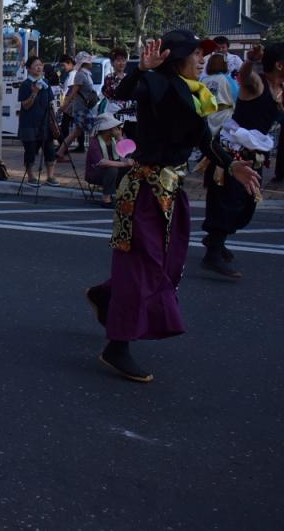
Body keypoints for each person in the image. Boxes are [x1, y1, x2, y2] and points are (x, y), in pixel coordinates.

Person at [84, 31, 260, 383]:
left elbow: (203, 140)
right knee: (141, 264)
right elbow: (119, 94)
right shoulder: (155, 84)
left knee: (167, 263)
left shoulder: (196, 93)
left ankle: (107, 297)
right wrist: (141, 69)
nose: (201, 60)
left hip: (172, 190)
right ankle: (116, 345)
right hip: (144, 191)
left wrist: (230, 163)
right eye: (196, 54)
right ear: (175, 56)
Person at [200, 43, 283, 278]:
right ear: (279, 64)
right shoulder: (258, 83)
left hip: (254, 154)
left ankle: (215, 239)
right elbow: (245, 76)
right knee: (229, 200)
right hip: (233, 150)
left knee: (247, 206)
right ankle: (213, 252)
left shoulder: (281, 89)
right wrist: (250, 60)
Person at [17, 56, 60, 187]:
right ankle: (30, 176)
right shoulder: (25, 85)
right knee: (30, 151)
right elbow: (26, 105)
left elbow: (51, 102)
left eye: (41, 65)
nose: (39, 67)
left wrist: (54, 119)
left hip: (45, 123)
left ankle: (50, 176)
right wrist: (34, 92)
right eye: (36, 65)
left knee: (50, 150)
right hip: (29, 124)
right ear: (29, 69)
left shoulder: (45, 83)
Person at [85, 113, 134, 208]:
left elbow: (126, 155)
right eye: (115, 127)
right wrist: (123, 164)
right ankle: (106, 199)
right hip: (96, 173)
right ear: (107, 130)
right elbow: (101, 162)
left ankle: (124, 195)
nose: (117, 129)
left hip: (110, 171)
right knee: (112, 169)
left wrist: (120, 138)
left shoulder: (113, 140)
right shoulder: (94, 142)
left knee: (129, 168)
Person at [56, 51, 97, 160]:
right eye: (90, 60)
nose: (92, 62)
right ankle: (96, 154)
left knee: (76, 132)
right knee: (93, 130)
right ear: (85, 63)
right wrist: (64, 106)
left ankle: (60, 152)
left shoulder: (84, 73)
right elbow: (73, 93)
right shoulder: (80, 74)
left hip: (83, 108)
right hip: (81, 108)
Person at [100, 47, 137, 140]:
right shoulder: (109, 77)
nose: (121, 63)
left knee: (132, 139)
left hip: (130, 115)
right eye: (118, 60)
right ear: (112, 63)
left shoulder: (129, 77)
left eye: (123, 60)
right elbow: (110, 94)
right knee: (117, 140)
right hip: (115, 115)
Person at [198, 53, 238, 139]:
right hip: (225, 117)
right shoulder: (227, 79)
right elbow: (237, 97)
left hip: (208, 117)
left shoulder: (203, 80)